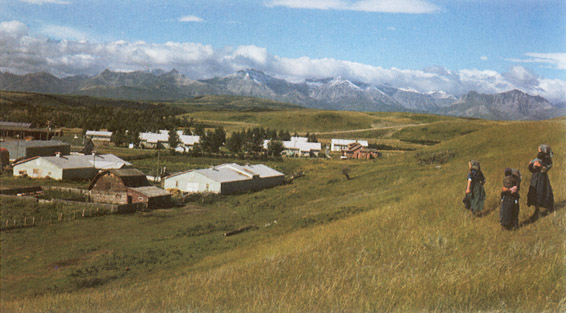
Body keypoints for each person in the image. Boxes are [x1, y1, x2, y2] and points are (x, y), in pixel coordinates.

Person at [527, 144, 554, 217]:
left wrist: (540, 166)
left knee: (542, 192)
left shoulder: (547, 160)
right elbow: (530, 167)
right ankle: (537, 209)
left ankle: (545, 209)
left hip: (542, 179)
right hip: (535, 178)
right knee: (534, 193)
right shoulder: (537, 159)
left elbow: (546, 168)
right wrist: (533, 165)